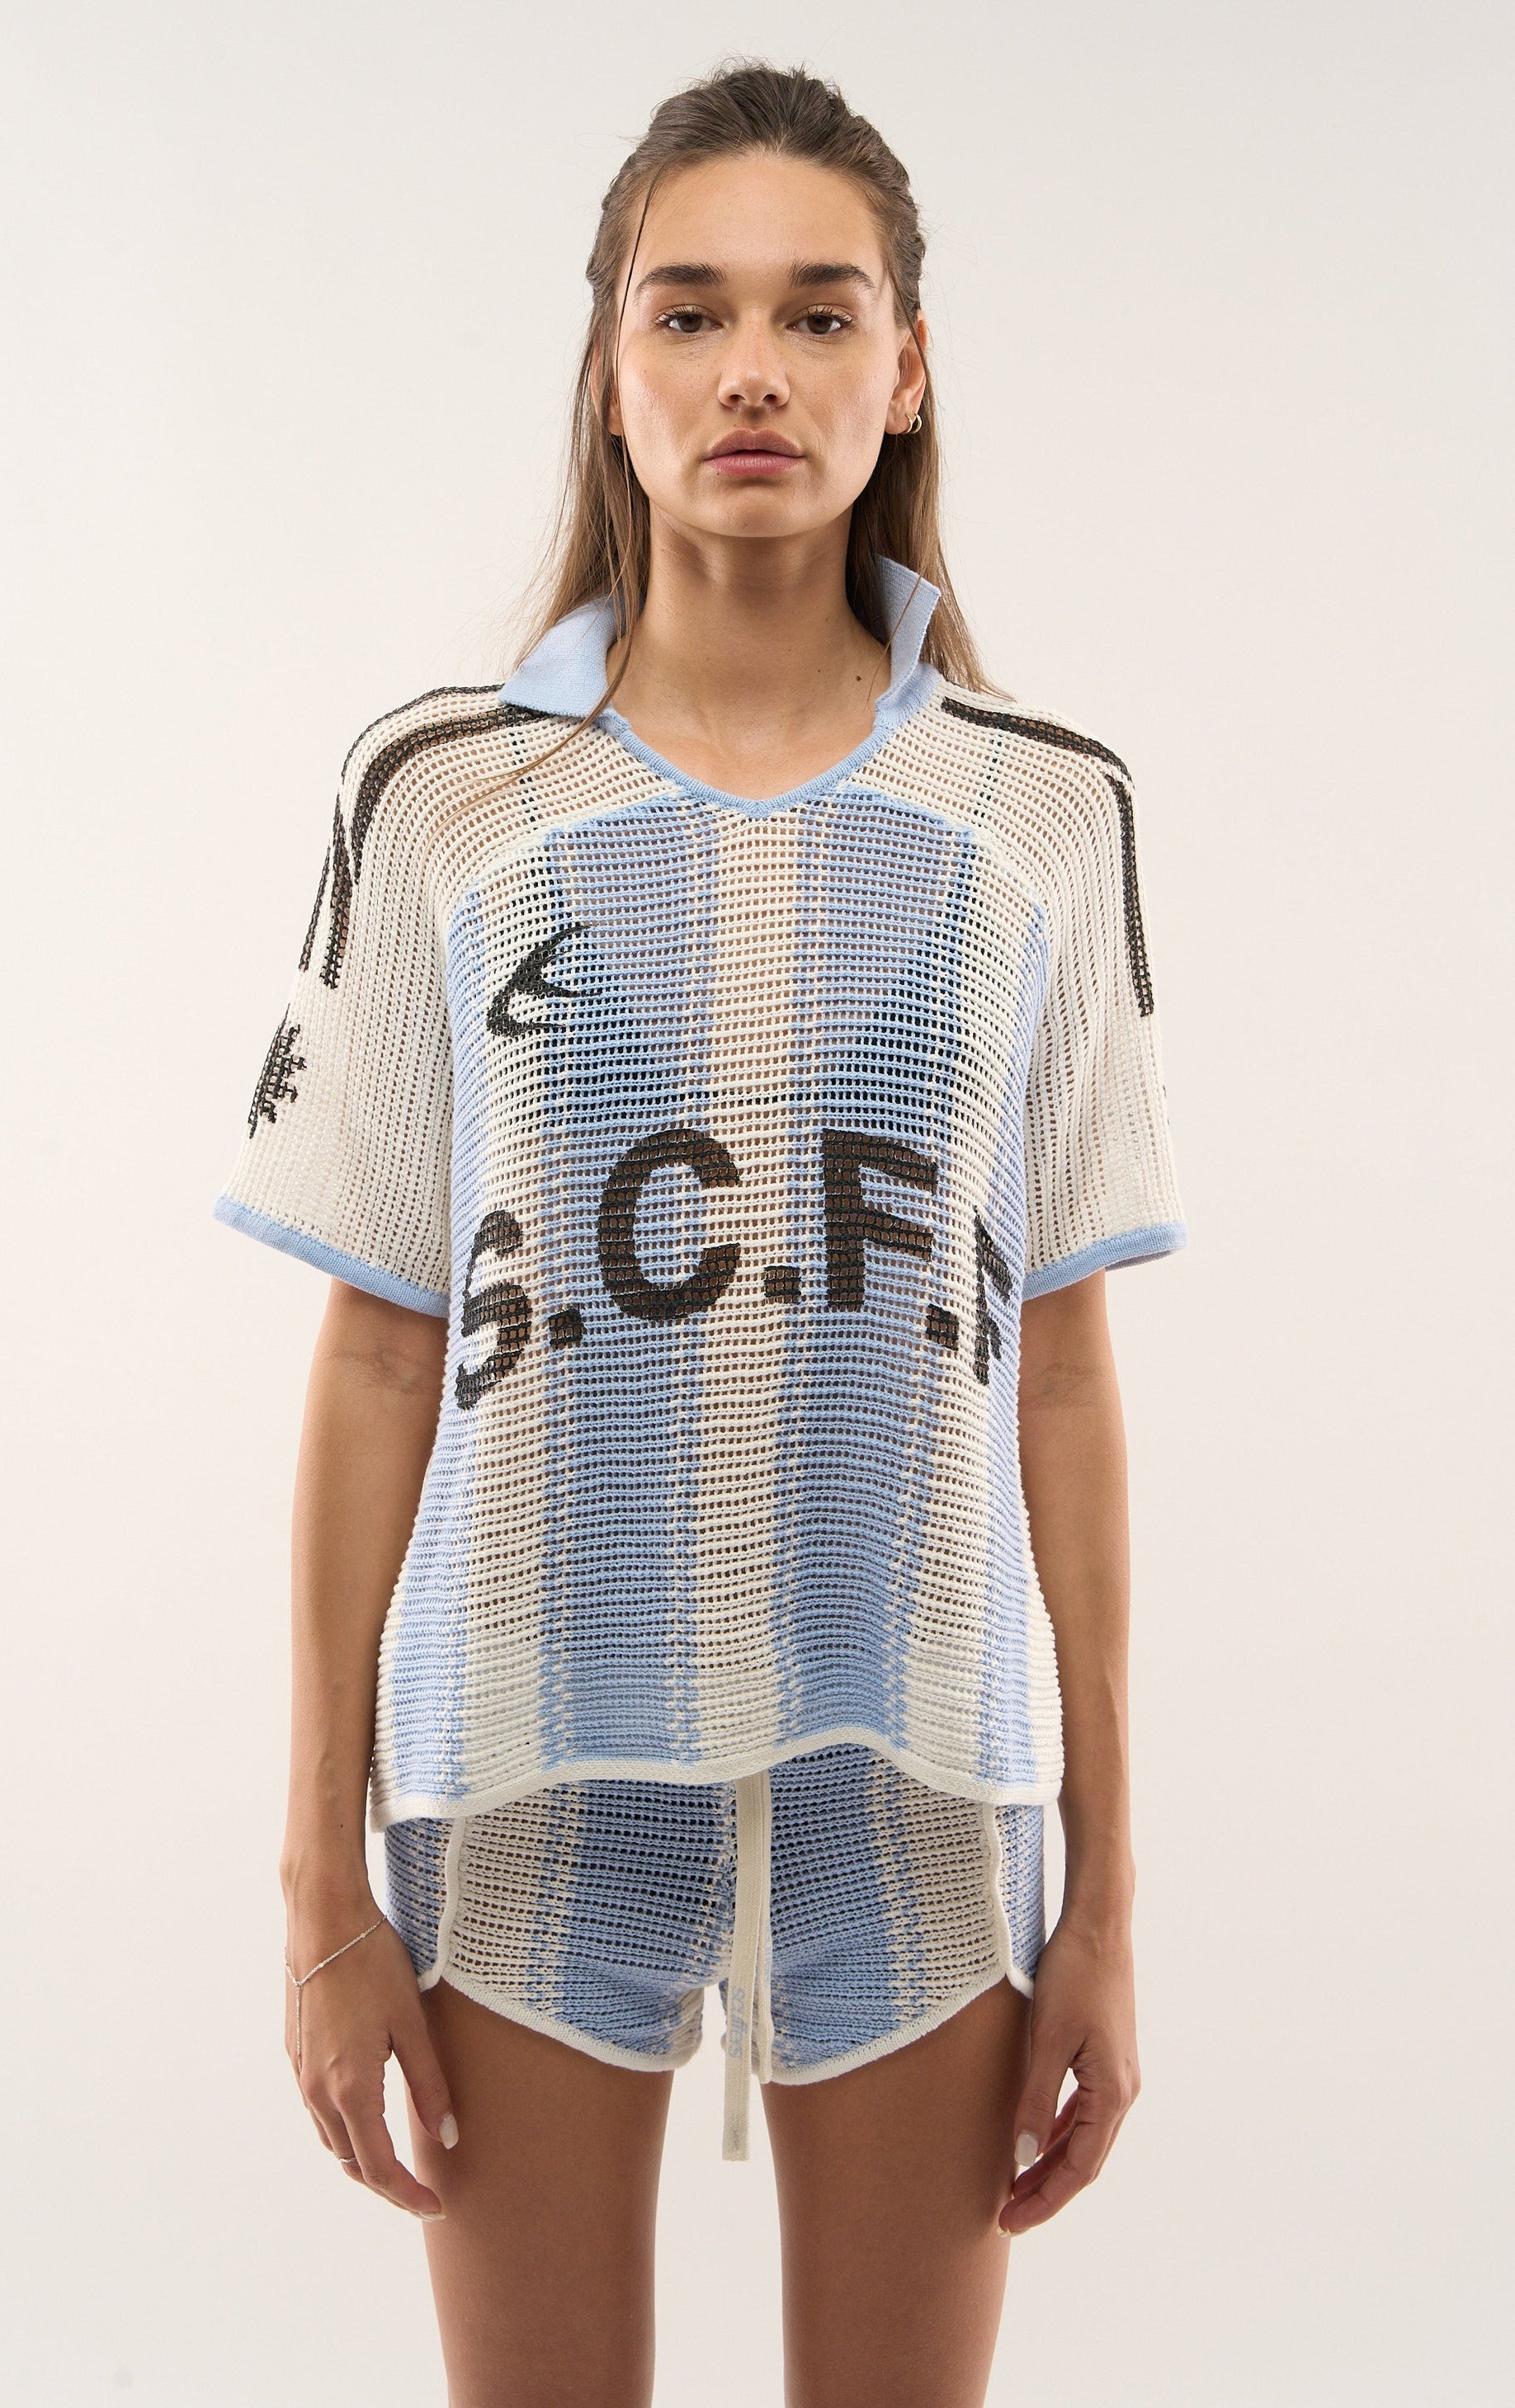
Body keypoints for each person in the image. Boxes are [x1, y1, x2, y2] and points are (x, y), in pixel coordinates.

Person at [215, 60, 1187, 2408]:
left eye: (818, 314)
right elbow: (380, 1350)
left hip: (919, 1780)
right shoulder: (445, 799)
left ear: (904, 369)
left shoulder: (1042, 817)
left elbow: (1058, 1366)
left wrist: (1110, 1891)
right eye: (691, 312)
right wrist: (320, 1883)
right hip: (531, 1755)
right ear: (610, 368)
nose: (755, 369)